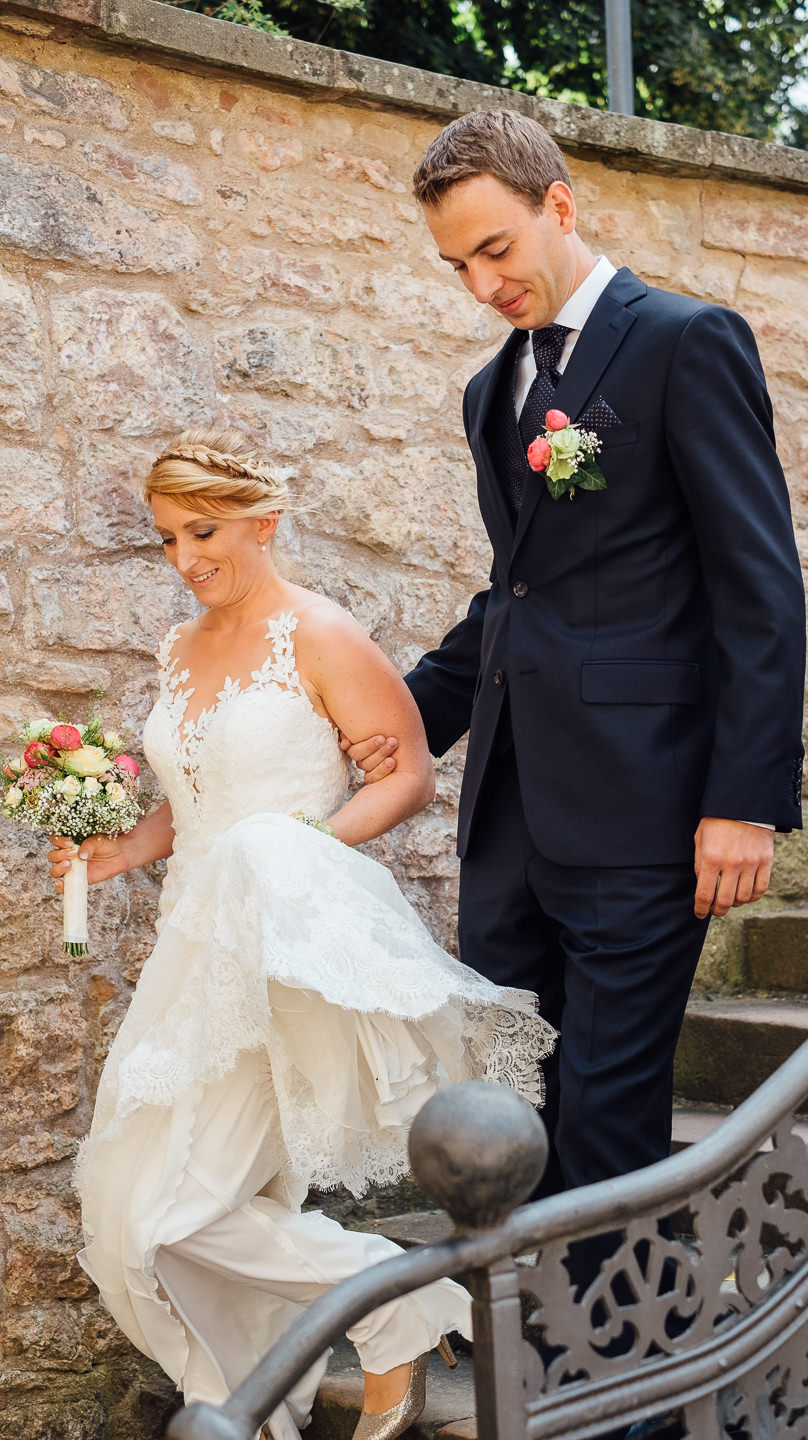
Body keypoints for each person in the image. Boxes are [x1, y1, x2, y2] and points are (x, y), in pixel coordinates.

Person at [47, 427, 554, 1440]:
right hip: (192, 943)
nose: (186, 558)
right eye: (166, 539)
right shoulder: (179, 645)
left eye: (204, 530)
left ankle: (385, 1300)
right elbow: (192, 801)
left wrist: (304, 841)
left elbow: (405, 772)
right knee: (120, 1210)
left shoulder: (319, 632)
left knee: (163, 1212)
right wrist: (119, 852)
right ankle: (258, 1395)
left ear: (264, 521)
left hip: (277, 946)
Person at [347, 109, 806, 1205]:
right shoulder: (488, 392)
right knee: (507, 1103)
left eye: (494, 251)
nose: (479, 286)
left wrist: (744, 798)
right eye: (456, 264)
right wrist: (376, 723)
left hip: (643, 813)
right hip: (508, 815)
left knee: (607, 1113)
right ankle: (528, 1350)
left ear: (559, 204)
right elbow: (516, 597)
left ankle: (595, 1366)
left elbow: (758, 586)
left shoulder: (686, 341)